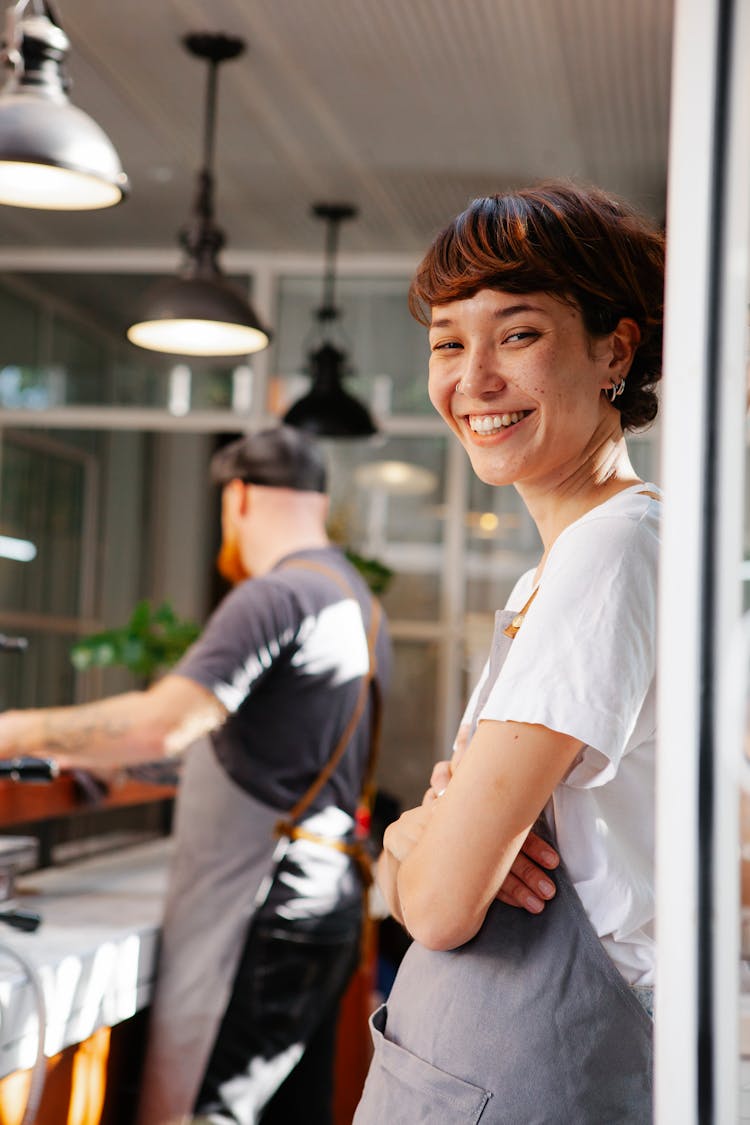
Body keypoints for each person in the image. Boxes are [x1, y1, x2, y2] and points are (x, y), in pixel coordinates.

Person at [355, 181, 664, 1123]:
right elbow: (435, 866)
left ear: (615, 348)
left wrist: (414, 850)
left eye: (518, 334)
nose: (474, 379)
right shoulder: (563, 564)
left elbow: (445, 901)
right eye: (450, 342)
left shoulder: (611, 551)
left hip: (534, 1071)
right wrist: (416, 841)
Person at [0, 424, 393, 1124]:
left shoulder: (276, 595)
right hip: (326, 904)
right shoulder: (357, 599)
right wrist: (93, 760)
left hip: (263, 911)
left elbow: (167, 722)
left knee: (209, 1114)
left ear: (237, 497)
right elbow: (254, 749)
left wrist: (17, 730)